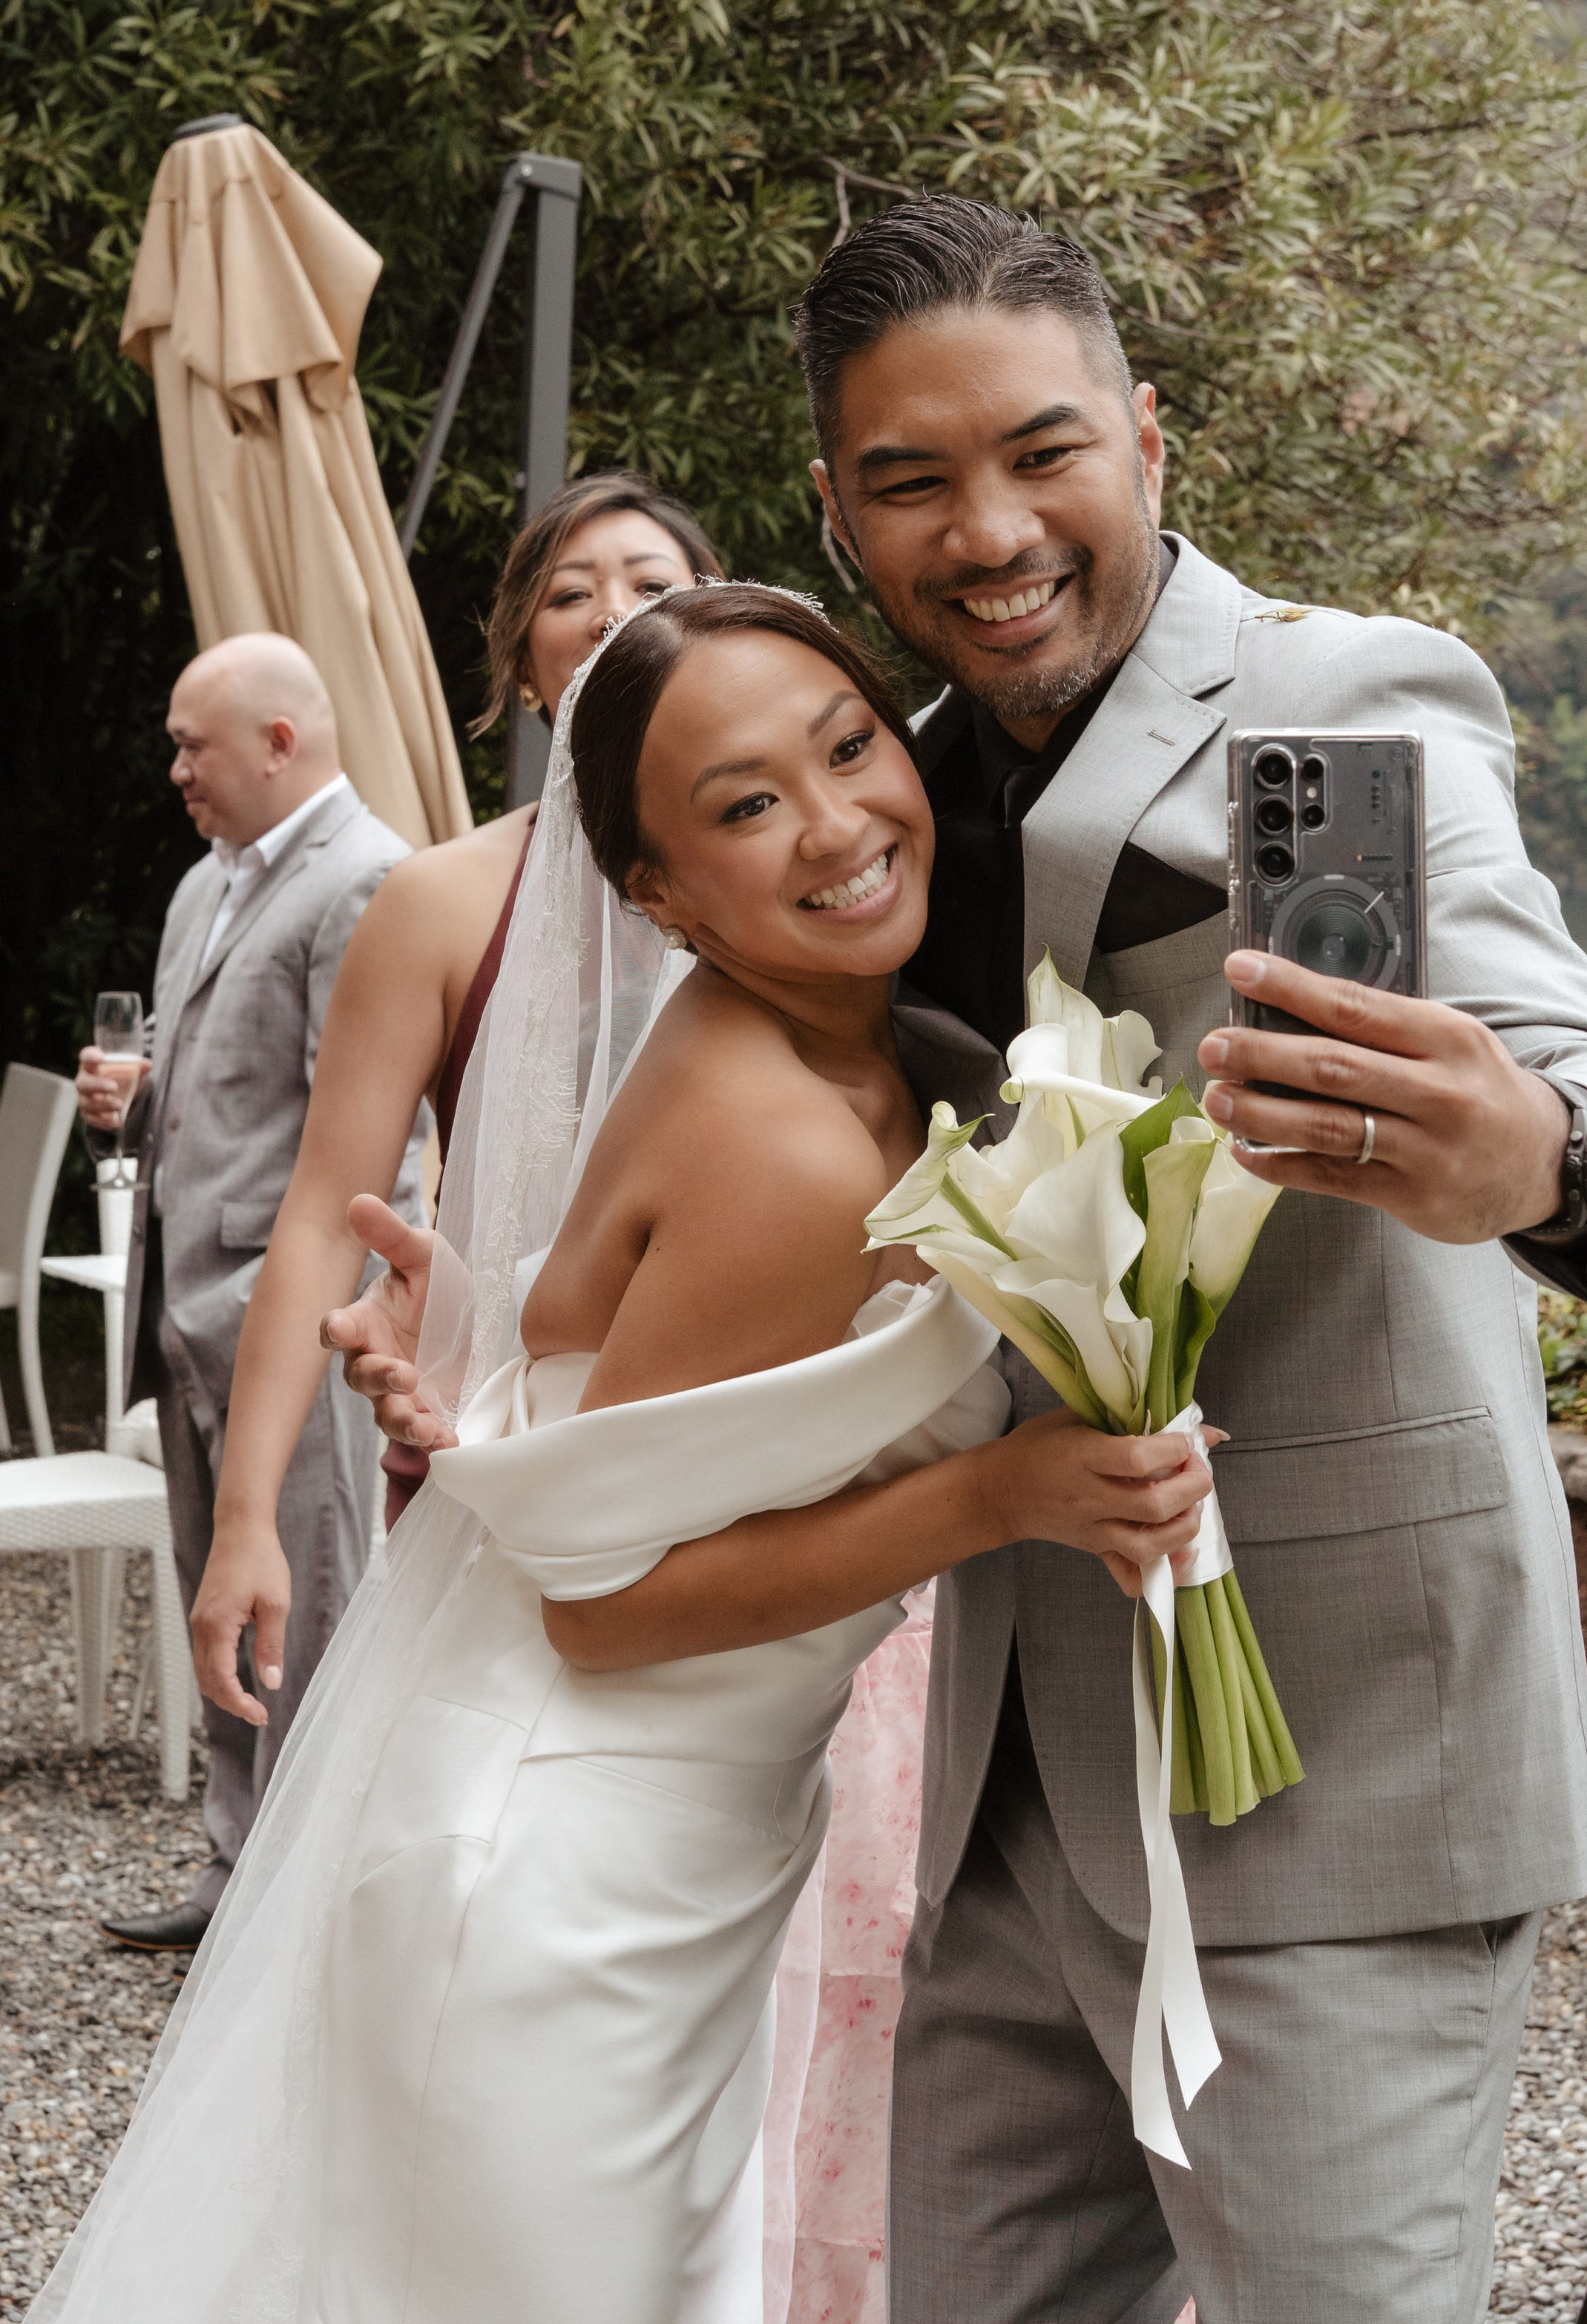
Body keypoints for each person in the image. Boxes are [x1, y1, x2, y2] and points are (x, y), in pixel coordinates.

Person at [353, 196, 1587, 2320]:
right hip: (1004, 1798)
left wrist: (1532, 1151)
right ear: (836, 510)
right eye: (910, 481)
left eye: (1042, 452)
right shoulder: (877, 788)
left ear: (1145, 435)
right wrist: (511, 1365)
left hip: (1335, 1765)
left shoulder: (1342, 688)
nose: (987, 532)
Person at [31, 588, 1213, 2324]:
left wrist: (471, 1348)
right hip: (565, 1879)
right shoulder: (789, 1141)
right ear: (653, 893)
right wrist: (994, 1493)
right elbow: (606, 1608)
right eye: (746, 806)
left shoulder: (791, 1034)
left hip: (644, 1854)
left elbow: (609, 1348)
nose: (835, 824)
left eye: (847, 745)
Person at [187, 466, 721, 1760]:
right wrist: (247, 1518)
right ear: (526, 669)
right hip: (487, 1449)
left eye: (651, 584)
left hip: (742, 1458)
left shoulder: (806, 872)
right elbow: (323, 1217)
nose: (613, 610)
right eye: (571, 594)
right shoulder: (437, 901)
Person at [72, 633, 423, 1959]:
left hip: (291, 1316)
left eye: (190, 745)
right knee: (220, 1597)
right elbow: (237, 1079)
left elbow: (372, 1139)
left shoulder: (366, 880)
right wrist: (139, 1091)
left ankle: (293, 1919)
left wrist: (355, 1313)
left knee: (304, 1615)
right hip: (184, 1302)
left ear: (280, 743)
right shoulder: (204, 883)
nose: (173, 769)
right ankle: (234, 1876)